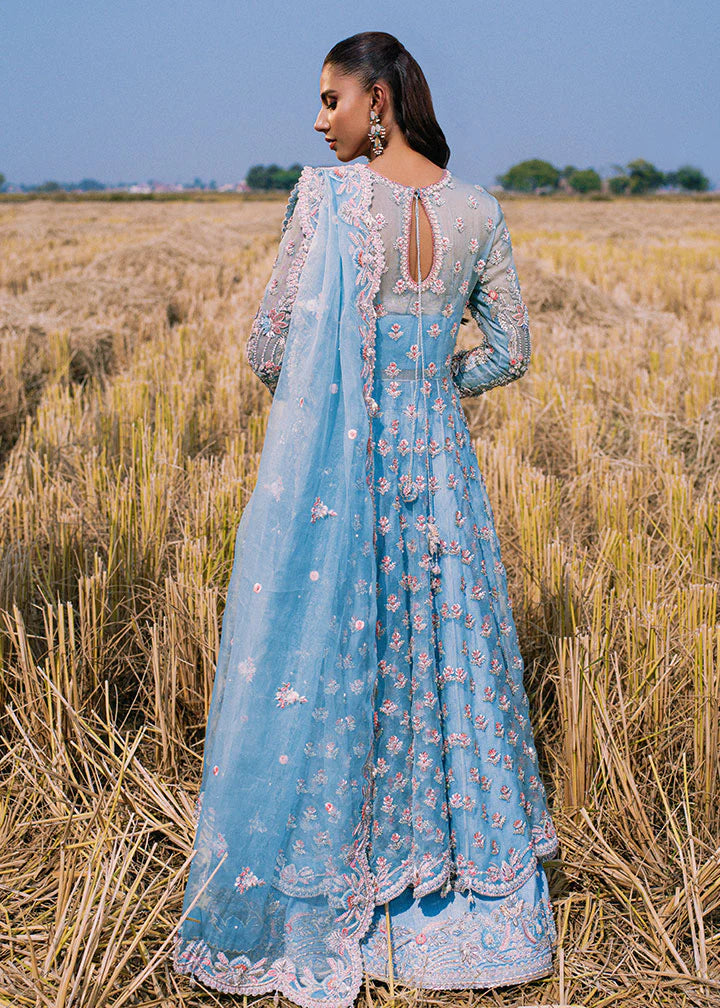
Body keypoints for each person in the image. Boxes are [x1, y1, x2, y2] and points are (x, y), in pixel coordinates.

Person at [173, 30, 559, 1008]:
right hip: (448, 487)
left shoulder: (326, 203)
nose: (318, 120)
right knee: (447, 678)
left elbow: (271, 347)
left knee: (345, 680)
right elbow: (510, 352)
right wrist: (434, 388)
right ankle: (467, 914)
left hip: (350, 483)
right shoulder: (480, 211)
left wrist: (352, 394)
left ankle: (349, 900)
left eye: (330, 100)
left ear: (377, 99)